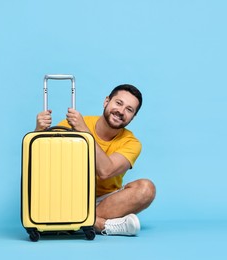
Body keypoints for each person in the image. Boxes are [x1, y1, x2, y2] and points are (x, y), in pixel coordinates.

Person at [35, 84, 156, 236]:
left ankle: (73, 221)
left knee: (147, 189)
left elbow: (105, 171)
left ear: (133, 117)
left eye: (129, 109)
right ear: (106, 101)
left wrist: (85, 132)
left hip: (105, 202)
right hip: (68, 197)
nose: (121, 111)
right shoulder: (72, 125)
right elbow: (43, 162)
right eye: (118, 103)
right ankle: (104, 225)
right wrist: (38, 131)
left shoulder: (132, 143)